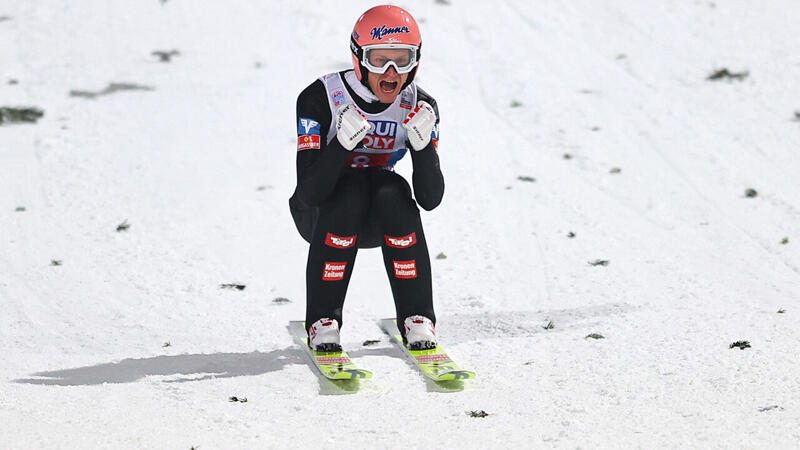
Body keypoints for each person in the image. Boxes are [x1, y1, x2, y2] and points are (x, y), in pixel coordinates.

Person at [289, 5, 443, 352]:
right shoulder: (320, 97)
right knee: (351, 189)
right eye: (379, 60)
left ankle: (418, 317)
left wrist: (423, 151)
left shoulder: (420, 105)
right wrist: (340, 145)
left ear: (415, 62)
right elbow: (309, 193)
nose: (391, 72)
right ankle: (322, 319)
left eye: (402, 60)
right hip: (320, 216)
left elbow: (430, 200)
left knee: (394, 190)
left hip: (379, 219)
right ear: (358, 58)